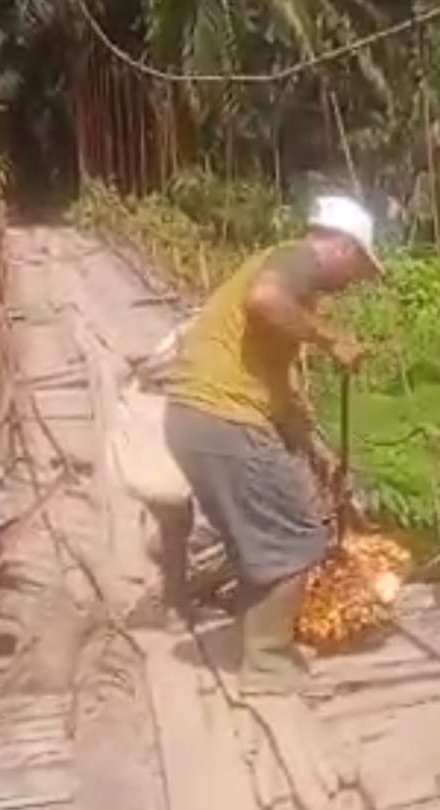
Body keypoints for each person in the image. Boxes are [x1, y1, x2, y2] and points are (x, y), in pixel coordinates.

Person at [164, 194, 384, 696]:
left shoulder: (288, 285)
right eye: (359, 267)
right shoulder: (296, 259)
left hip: (199, 419)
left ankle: (263, 647)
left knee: (258, 541)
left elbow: (277, 392)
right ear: (342, 247)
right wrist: (330, 338)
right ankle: (267, 666)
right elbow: (264, 301)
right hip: (221, 417)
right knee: (297, 535)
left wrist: (316, 450)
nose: (353, 281)